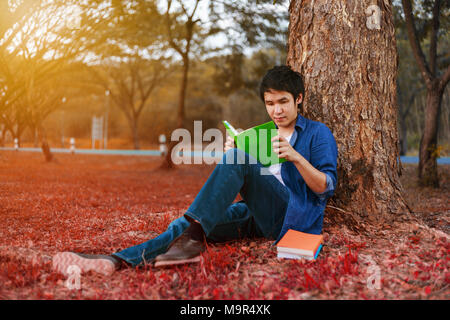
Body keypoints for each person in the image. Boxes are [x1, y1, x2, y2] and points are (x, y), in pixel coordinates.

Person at [52, 65, 338, 276]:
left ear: (298, 98)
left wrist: (296, 158)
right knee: (186, 226)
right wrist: (235, 156)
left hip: (292, 214)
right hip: (256, 213)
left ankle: (192, 239)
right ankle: (115, 261)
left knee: (233, 166)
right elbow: (256, 179)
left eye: (283, 102)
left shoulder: (317, 134)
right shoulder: (263, 134)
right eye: (270, 104)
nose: (276, 111)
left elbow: (326, 186)